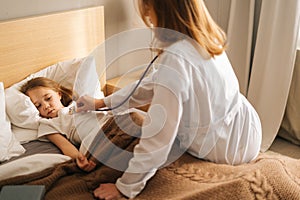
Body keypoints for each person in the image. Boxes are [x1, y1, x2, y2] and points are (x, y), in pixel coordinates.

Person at [75, 0, 262, 199]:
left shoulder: (176, 57)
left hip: (228, 148)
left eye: (147, 8)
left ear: (158, 8)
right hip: (247, 126)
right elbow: (152, 84)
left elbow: (159, 137)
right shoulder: (203, 37)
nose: (147, 15)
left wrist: (124, 188)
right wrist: (100, 103)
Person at [20, 77, 99, 171]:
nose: (46, 106)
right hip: (95, 139)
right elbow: (64, 145)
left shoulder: (77, 103)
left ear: (59, 94)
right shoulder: (47, 124)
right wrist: (79, 158)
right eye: (38, 106)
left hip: (109, 122)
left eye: (48, 98)